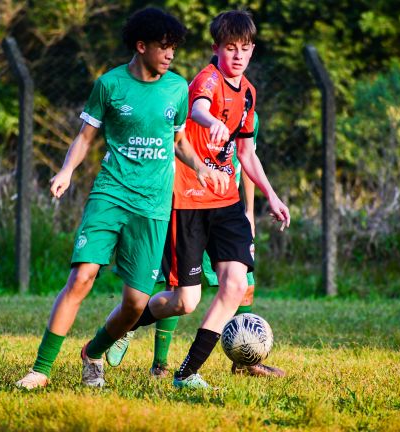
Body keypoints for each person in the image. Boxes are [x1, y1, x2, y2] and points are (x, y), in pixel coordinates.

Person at [15, 7, 227, 390]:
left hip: (153, 206)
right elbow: (84, 137)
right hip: (111, 193)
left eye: (174, 49)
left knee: (134, 303)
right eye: (164, 47)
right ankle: (40, 370)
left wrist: (201, 168)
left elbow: (177, 141)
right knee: (82, 277)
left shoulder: (177, 89)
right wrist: (65, 171)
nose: (170, 55)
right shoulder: (109, 85)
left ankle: (93, 352)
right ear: (140, 46)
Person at [106, 10, 290, 389]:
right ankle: (125, 325)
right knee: (183, 302)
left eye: (244, 48)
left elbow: (247, 154)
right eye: (230, 48)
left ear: (253, 50)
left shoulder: (249, 94)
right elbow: (198, 108)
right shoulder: (207, 79)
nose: (237, 55)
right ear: (216, 48)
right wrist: (210, 122)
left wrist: (271, 195)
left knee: (236, 283)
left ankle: (187, 373)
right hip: (187, 199)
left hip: (225, 201)